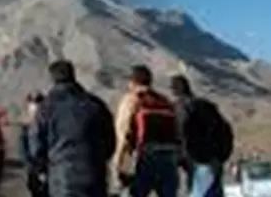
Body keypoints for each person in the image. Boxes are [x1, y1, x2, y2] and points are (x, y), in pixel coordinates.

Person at [29, 60, 116, 197]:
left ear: (52, 79)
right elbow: (110, 142)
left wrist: (42, 168)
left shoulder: (46, 108)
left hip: (62, 178)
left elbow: (36, 145)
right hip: (94, 175)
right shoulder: (96, 105)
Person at [112, 65, 181, 197]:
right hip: (169, 159)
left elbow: (123, 133)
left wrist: (118, 164)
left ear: (132, 82)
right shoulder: (164, 101)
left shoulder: (132, 99)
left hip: (146, 157)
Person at [169, 75, 234, 197]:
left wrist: (182, 157)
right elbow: (226, 130)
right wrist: (221, 156)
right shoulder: (207, 106)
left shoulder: (181, 107)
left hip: (198, 160)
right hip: (215, 159)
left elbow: (181, 131)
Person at [20, 91, 48, 197]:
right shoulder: (26, 128)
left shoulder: (47, 126)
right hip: (33, 171)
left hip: (46, 169)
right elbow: (23, 150)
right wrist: (32, 168)